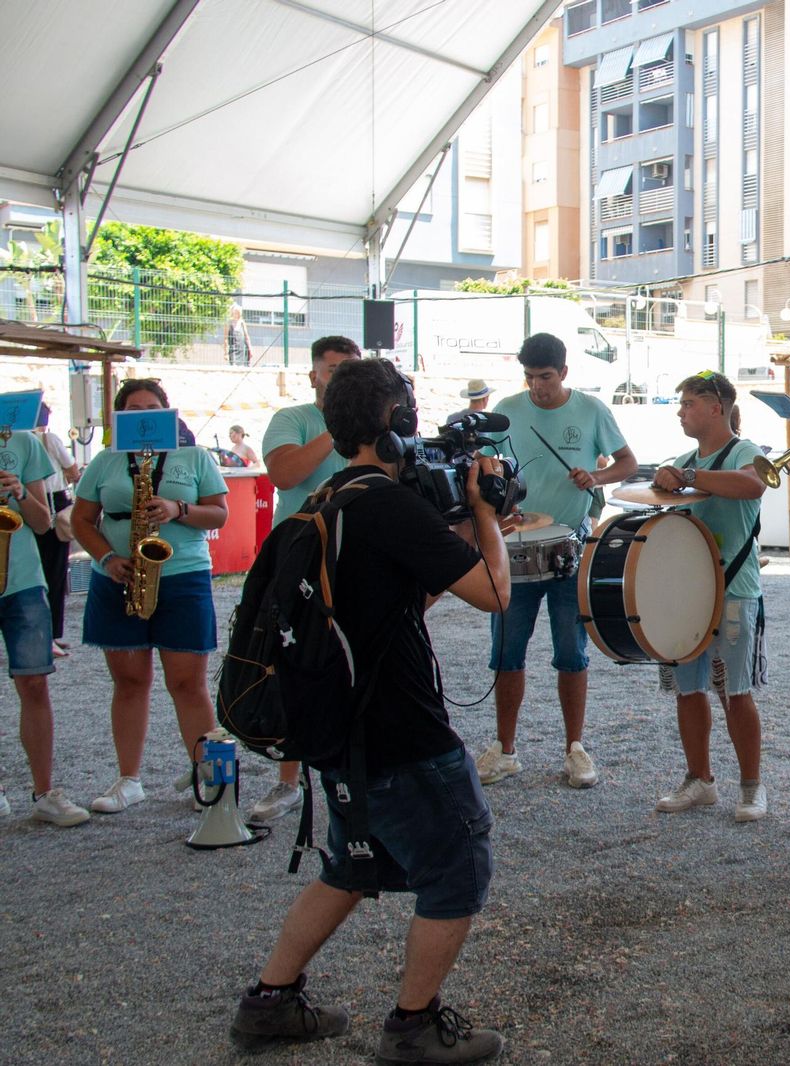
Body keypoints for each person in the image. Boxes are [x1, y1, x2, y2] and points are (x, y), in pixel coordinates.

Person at [230, 356, 510, 1063]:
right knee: (455, 868)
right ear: (398, 425)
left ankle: (269, 1001)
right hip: (400, 732)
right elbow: (495, 594)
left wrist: (447, 547)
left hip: (339, 733)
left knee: (354, 866)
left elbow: (399, 605)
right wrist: (484, 512)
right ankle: (413, 1026)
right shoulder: (387, 506)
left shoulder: (328, 500)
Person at [476, 333, 637, 789]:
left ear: (564, 373)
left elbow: (627, 462)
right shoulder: (507, 410)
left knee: (572, 652)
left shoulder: (590, 410)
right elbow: (482, 464)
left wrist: (597, 475)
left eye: (544, 377)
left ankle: (575, 749)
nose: (536, 387)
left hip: (571, 547)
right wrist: (497, 489)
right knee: (506, 654)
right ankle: (505, 750)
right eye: (528, 377)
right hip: (515, 548)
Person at [71, 379, 230, 814]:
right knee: (129, 682)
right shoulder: (105, 461)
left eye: (152, 408)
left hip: (182, 576)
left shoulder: (194, 457)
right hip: (119, 576)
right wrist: (105, 558)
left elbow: (219, 511)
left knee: (187, 684)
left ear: (167, 413)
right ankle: (129, 779)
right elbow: (82, 520)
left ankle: (209, 778)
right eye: (134, 409)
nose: (143, 415)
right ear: (122, 418)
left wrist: (178, 509)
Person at [648, 371, 769, 822]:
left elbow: (753, 484)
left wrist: (689, 476)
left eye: (688, 403)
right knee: (687, 688)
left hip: (735, 591)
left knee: (736, 692)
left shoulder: (746, 451)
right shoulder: (682, 459)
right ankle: (699, 779)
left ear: (716, 407)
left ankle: (752, 788)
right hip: (686, 595)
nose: (681, 411)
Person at [254, 335, 363, 823]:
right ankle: (288, 780)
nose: (338, 376)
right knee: (294, 662)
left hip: (358, 555)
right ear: (313, 374)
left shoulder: (370, 419)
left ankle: (360, 766)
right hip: (299, 558)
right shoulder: (292, 419)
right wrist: (334, 427)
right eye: (332, 369)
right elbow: (283, 474)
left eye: (349, 370)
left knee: (360, 659)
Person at [0, 418, 90, 825]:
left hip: (21, 580)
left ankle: (44, 792)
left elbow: (42, 522)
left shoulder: (22, 442)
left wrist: (18, 491)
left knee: (35, 683)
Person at [33, 402, 79, 658]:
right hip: (52, 502)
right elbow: (72, 470)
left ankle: (42, 635)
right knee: (54, 573)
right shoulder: (49, 439)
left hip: (29, 504)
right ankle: (50, 635)